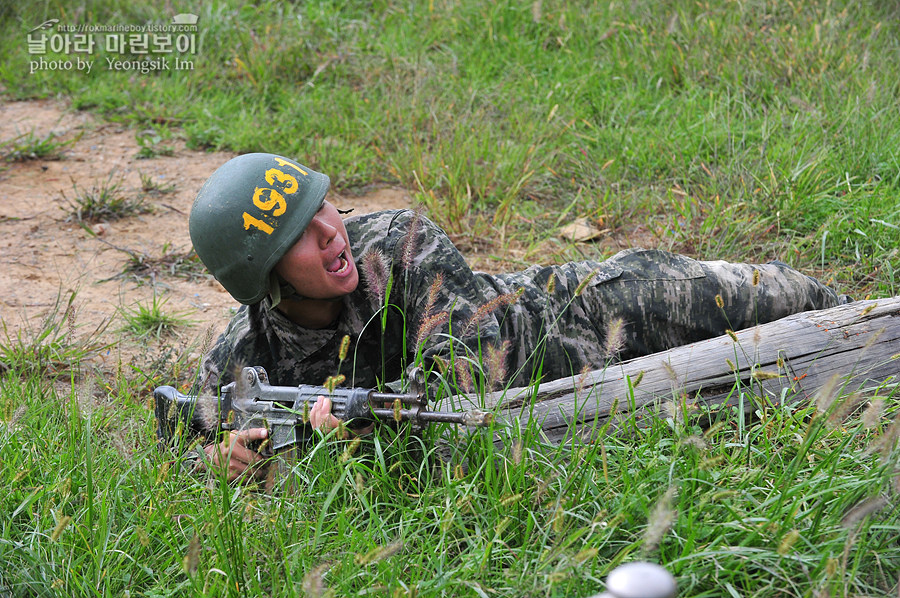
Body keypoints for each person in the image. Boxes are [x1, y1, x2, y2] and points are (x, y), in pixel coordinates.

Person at [186, 153, 846, 480]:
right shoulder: (250, 354)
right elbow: (183, 434)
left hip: (583, 312)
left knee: (781, 299)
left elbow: (473, 373)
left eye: (322, 208)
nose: (329, 232)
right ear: (264, 278)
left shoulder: (396, 243)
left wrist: (360, 428)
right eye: (299, 234)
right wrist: (218, 457)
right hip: (562, 417)